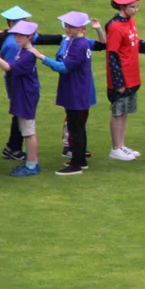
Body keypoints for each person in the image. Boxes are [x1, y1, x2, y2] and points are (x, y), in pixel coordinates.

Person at [0, 6, 74, 162]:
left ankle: (12, 148)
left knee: (19, 115)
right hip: (20, 86)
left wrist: (66, 36)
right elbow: (11, 69)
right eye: (25, 21)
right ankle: (14, 149)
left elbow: (41, 38)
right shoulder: (14, 45)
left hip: (21, 84)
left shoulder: (14, 39)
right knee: (21, 117)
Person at [106, 0, 145, 162]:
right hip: (122, 78)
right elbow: (113, 55)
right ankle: (115, 148)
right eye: (133, 7)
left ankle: (121, 145)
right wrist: (118, 82)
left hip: (132, 76)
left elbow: (136, 43)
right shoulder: (115, 27)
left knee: (125, 112)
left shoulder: (131, 21)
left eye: (137, 6)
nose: (136, 9)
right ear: (123, 7)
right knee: (118, 112)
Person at [46, 12, 98, 176]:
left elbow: (64, 67)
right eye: (66, 26)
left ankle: (76, 164)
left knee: (76, 127)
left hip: (75, 90)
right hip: (77, 89)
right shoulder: (78, 42)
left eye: (71, 26)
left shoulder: (78, 45)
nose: (67, 29)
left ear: (81, 28)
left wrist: (41, 57)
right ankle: (80, 160)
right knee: (78, 126)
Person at [0, 20, 46, 177]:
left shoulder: (28, 55)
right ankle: (31, 163)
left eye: (21, 35)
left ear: (30, 36)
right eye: (16, 34)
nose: (17, 37)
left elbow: (9, 68)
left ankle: (31, 165)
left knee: (29, 131)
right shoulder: (22, 50)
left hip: (26, 95)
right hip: (23, 94)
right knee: (25, 129)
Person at [53, 18, 105, 160]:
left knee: (82, 116)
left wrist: (98, 29)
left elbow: (102, 45)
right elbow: (61, 63)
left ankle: (77, 148)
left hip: (84, 84)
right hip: (74, 85)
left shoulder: (83, 41)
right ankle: (69, 147)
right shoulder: (68, 43)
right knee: (73, 117)